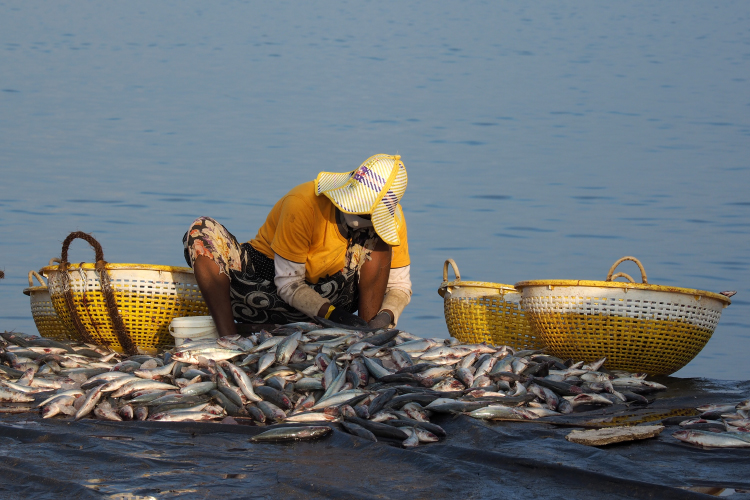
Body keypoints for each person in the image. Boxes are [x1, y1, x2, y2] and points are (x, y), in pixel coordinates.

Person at [183, 153, 412, 337]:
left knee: (379, 239)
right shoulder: (302, 203)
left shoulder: (393, 220)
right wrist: (334, 316)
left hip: (335, 295)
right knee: (201, 230)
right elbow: (289, 284)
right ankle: (229, 338)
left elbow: (400, 286)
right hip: (263, 290)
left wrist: (384, 318)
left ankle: (365, 337)